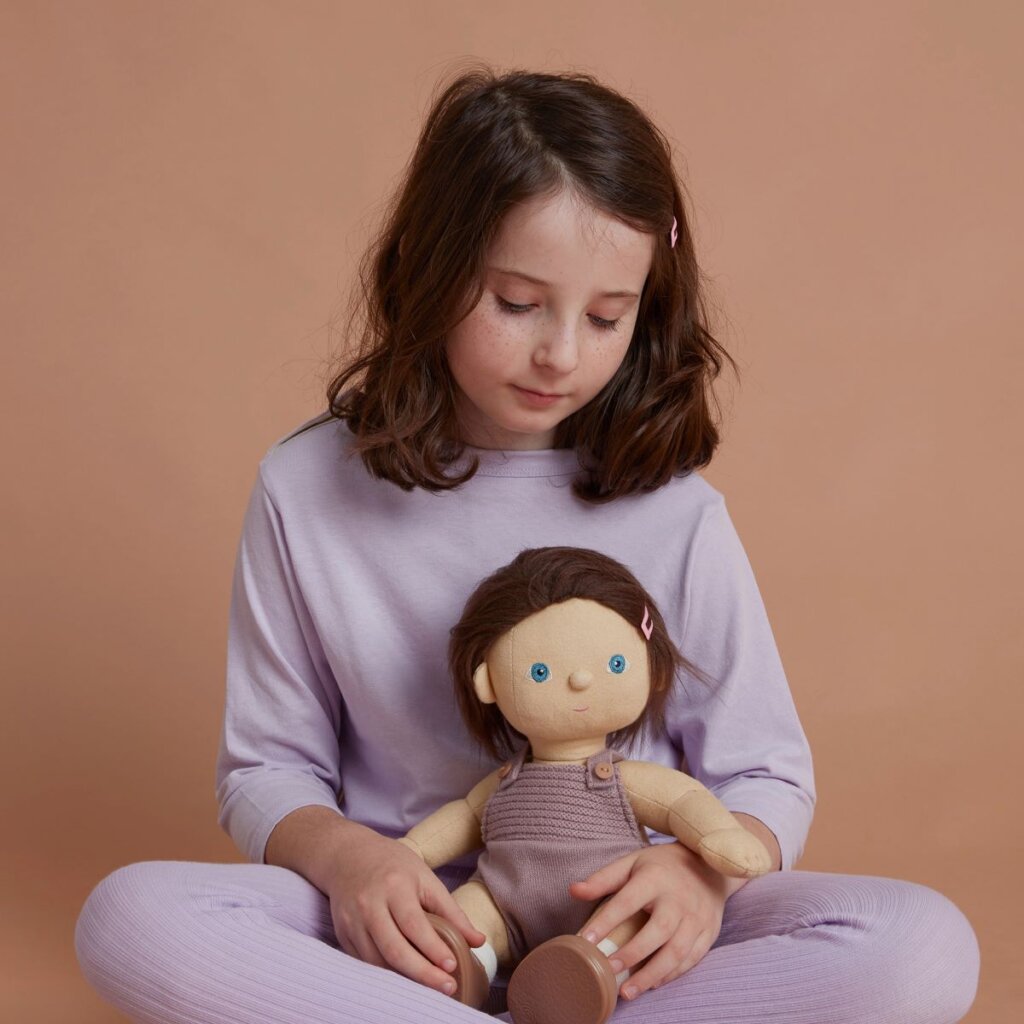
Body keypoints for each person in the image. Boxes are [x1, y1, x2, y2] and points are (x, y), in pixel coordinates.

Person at [74, 66, 979, 1024]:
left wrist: (697, 880)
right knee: (129, 918)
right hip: (401, 939)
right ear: (432, 265)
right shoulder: (304, 489)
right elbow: (266, 768)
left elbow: (765, 771)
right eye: (516, 303)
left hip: (625, 943)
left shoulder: (674, 508)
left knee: (919, 947)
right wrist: (351, 863)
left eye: (605, 318)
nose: (561, 355)